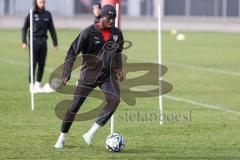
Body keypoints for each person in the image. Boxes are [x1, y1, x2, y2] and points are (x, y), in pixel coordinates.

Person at [54, 4, 124, 149]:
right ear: (101, 17)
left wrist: (118, 68)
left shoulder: (117, 34)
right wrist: (66, 73)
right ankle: (62, 137)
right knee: (75, 106)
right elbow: (72, 52)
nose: (111, 21)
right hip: (89, 75)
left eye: (113, 18)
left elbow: (118, 52)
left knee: (115, 100)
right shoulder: (87, 32)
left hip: (107, 75)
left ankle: (90, 133)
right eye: (109, 18)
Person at [22, 0, 58, 92]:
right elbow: (24, 28)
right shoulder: (31, 14)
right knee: (33, 64)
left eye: (43, 3)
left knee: (42, 64)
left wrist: (55, 43)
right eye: (40, 2)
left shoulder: (48, 14)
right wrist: (24, 41)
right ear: (36, 3)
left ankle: (38, 84)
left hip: (43, 42)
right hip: (33, 42)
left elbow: (52, 29)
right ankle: (31, 85)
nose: (42, 4)